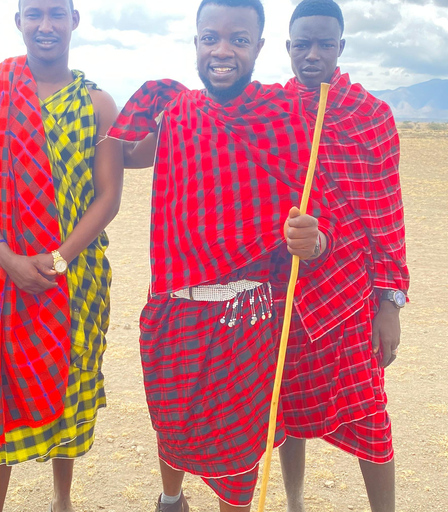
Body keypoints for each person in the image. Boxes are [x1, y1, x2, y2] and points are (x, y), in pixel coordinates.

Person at [108, 1, 341, 510]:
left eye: (238, 39)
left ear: (258, 47)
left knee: (238, 452)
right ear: (195, 42)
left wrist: (313, 240)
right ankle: (171, 500)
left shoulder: (285, 119)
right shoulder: (170, 109)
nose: (222, 50)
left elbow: (319, 227)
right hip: (174, 303)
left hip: (249, 314)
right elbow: (113, 150)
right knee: (171, 420)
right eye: (210, 36)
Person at [0, 0, 124, 511]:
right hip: (2, 280)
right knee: (0, 395)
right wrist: (5, 255)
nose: (45, 25)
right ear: (19, 21)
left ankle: (62, 498)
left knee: (71, 383)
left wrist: (61, 257)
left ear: (74, 20)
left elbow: (108, 196)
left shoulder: (98, 104)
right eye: (35, 14)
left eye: (57, 13)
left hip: (74, 278)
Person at [276, 1, 410, 512]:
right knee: (283, 406)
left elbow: (387, 216)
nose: (312, 55)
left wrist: (389, 304)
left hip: (352, 295)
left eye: (324, 44)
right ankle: (294, 503)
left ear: (341, 48)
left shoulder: (372, 116)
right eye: (302, 44)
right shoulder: (274, 111)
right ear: (287, 48)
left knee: (369, 411)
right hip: (284, 286)